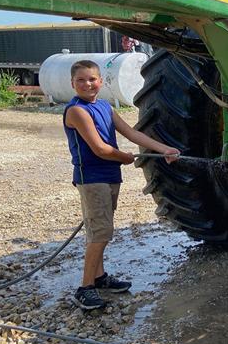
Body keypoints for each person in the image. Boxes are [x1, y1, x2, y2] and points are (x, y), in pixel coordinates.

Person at [63, 60, 179, 310]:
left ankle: (99, 276)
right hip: (92, 178)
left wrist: (164, 149)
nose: (87, 84)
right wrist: (124, 157)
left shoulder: (105, 107)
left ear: (101, 81)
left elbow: (133, 133)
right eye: (81, 80)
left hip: (110, 176)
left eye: (92, 79)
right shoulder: (77, 111)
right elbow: (100, 148)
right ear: (73, 84)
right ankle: (85, 288)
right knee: (100, 232)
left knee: (100, 228)